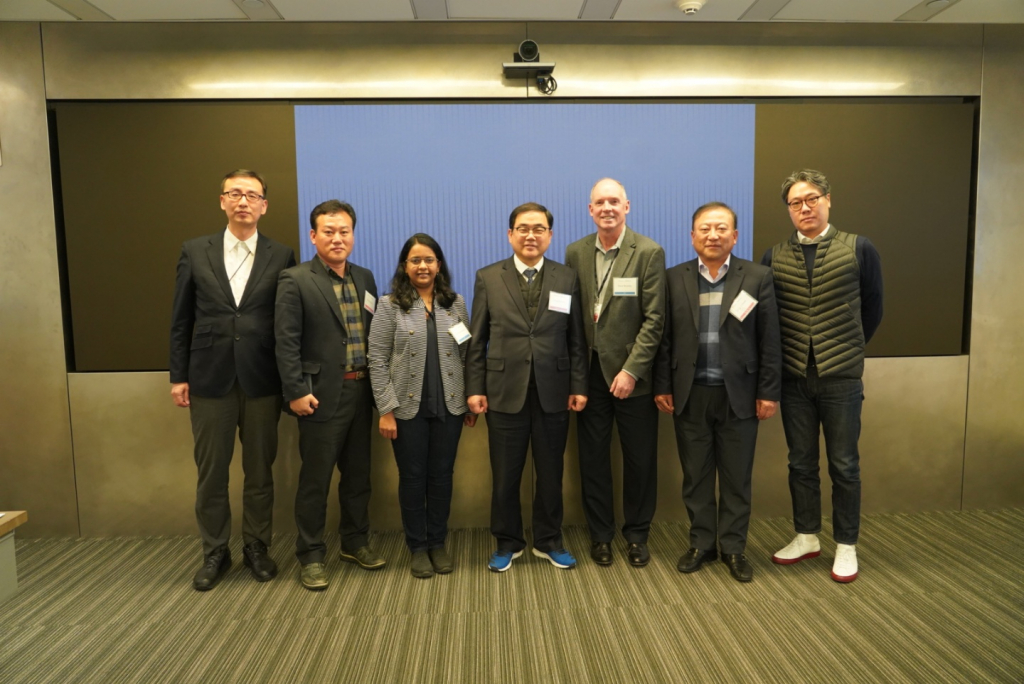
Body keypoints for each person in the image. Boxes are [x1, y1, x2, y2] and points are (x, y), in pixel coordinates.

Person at [169, 169, 296, 591]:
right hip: (209, 378)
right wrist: (178, 375)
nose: (244, 201)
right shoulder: (195, 251)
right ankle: (215, 551)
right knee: (211, 474)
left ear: (264, 206)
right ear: (222, 200)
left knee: (260, 472)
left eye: (252, 195)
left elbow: (287, 321)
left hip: (262, 378)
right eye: (235, 194)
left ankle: (257, 547)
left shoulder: (282, 255)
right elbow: (181, 319)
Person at [762, 169, 883, 583]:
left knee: (844, 465)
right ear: (789, 210)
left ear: (828, 199)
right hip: (794, 377)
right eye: (796, 202)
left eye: (811, 198)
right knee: (800, 463)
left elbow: (873, 307)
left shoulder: (858, 248)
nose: (804, 208)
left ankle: (846, 544)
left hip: (841, 379)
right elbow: (770, 317)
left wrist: (847, 347)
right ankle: (807, 535)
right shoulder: (774, 256)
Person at [653, 202, 781, 582]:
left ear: (735, 236)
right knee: (696, 476)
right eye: (705, 229)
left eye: (721, 228)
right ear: (692, 235)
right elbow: (664, 338)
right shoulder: (673, 277)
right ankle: (702, 544)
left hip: (739, 394)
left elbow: (770, 339)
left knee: (736, 477)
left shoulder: (757, 277)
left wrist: (769, 391)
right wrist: (663, 384)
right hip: (689, 393)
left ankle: (734, 548)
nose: (713, 235)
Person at [466, 203, 588, 573]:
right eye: (523, 228)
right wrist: (474, 388)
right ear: (510, 234)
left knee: (551, 474)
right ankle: (508, 542)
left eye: (539, 229)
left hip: (555, 390)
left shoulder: (567, 277)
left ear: (550, 235)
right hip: (503, 390)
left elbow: (576, 339)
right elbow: (477, 340)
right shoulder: (489, 277)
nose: (530, 235)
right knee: (505, 475)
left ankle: (549, 540)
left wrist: (578, 384)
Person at [275, 199, 384, 590]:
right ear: (313, 235)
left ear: (352, 235)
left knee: (358, 477)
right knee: (316, 480)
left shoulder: (365, 278)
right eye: (329, 232)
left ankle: (354, 542)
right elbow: (285, 341)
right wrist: (295, 391)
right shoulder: (295, 279)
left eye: (344, 232)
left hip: (361, 391)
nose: (337, 239)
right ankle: (311, 555)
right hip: (318, 396)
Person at [564, 178, 666, 567]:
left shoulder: (648, 252)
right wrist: (575, 375)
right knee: (593, 460)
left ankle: (637, 536)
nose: (607, 208)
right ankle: (601, 535)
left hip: (633, 378)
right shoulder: (575, 252)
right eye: (600, 202)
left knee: (640, 461)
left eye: (614, 201)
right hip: (590, 375)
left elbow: (655, 320)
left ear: (627, 206)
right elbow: (573, 317)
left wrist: (632, 370)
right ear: (590, 210)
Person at [367, 234, 477, 579]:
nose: (423, 266)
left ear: (438, 265)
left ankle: (437, 543)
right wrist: (386, 410)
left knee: (442, 477)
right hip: (405, 410)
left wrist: (469, 401)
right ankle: (417, 547)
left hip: (450, 407)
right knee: (413, 479)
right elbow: (377, 359)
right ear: (405, 266)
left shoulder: (455, 304)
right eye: (415, 260)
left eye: (429, 259)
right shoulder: (389, 305)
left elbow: (466, 353)